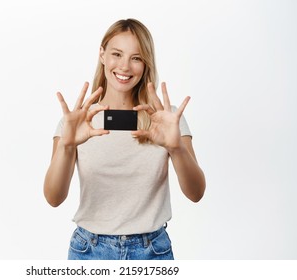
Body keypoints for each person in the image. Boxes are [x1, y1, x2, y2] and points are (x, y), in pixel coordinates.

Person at [43, 18, 206, 260]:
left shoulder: (166, 119)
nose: (125, 67)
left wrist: (176, 148)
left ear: (146, 62)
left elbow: (196, 193)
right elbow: (54, 198)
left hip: (152, 250)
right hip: (89, 250)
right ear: (102, 54)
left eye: (136, 58)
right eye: (117, 54)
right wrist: (67, 145)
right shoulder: (77, 122)